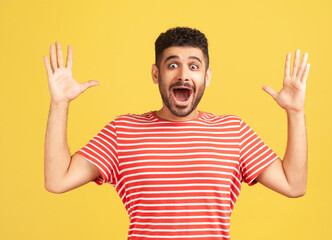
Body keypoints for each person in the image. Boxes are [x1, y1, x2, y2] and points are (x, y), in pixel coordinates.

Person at [43, 27, 310, 239]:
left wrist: (295, 112)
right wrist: (59, 103)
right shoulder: (123, 131)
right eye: (173, 65)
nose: (183, 75)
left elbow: (294, 184)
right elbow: (57, 180)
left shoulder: (233, 131)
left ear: (206, 77)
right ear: (156, 74)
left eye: (194, 66)